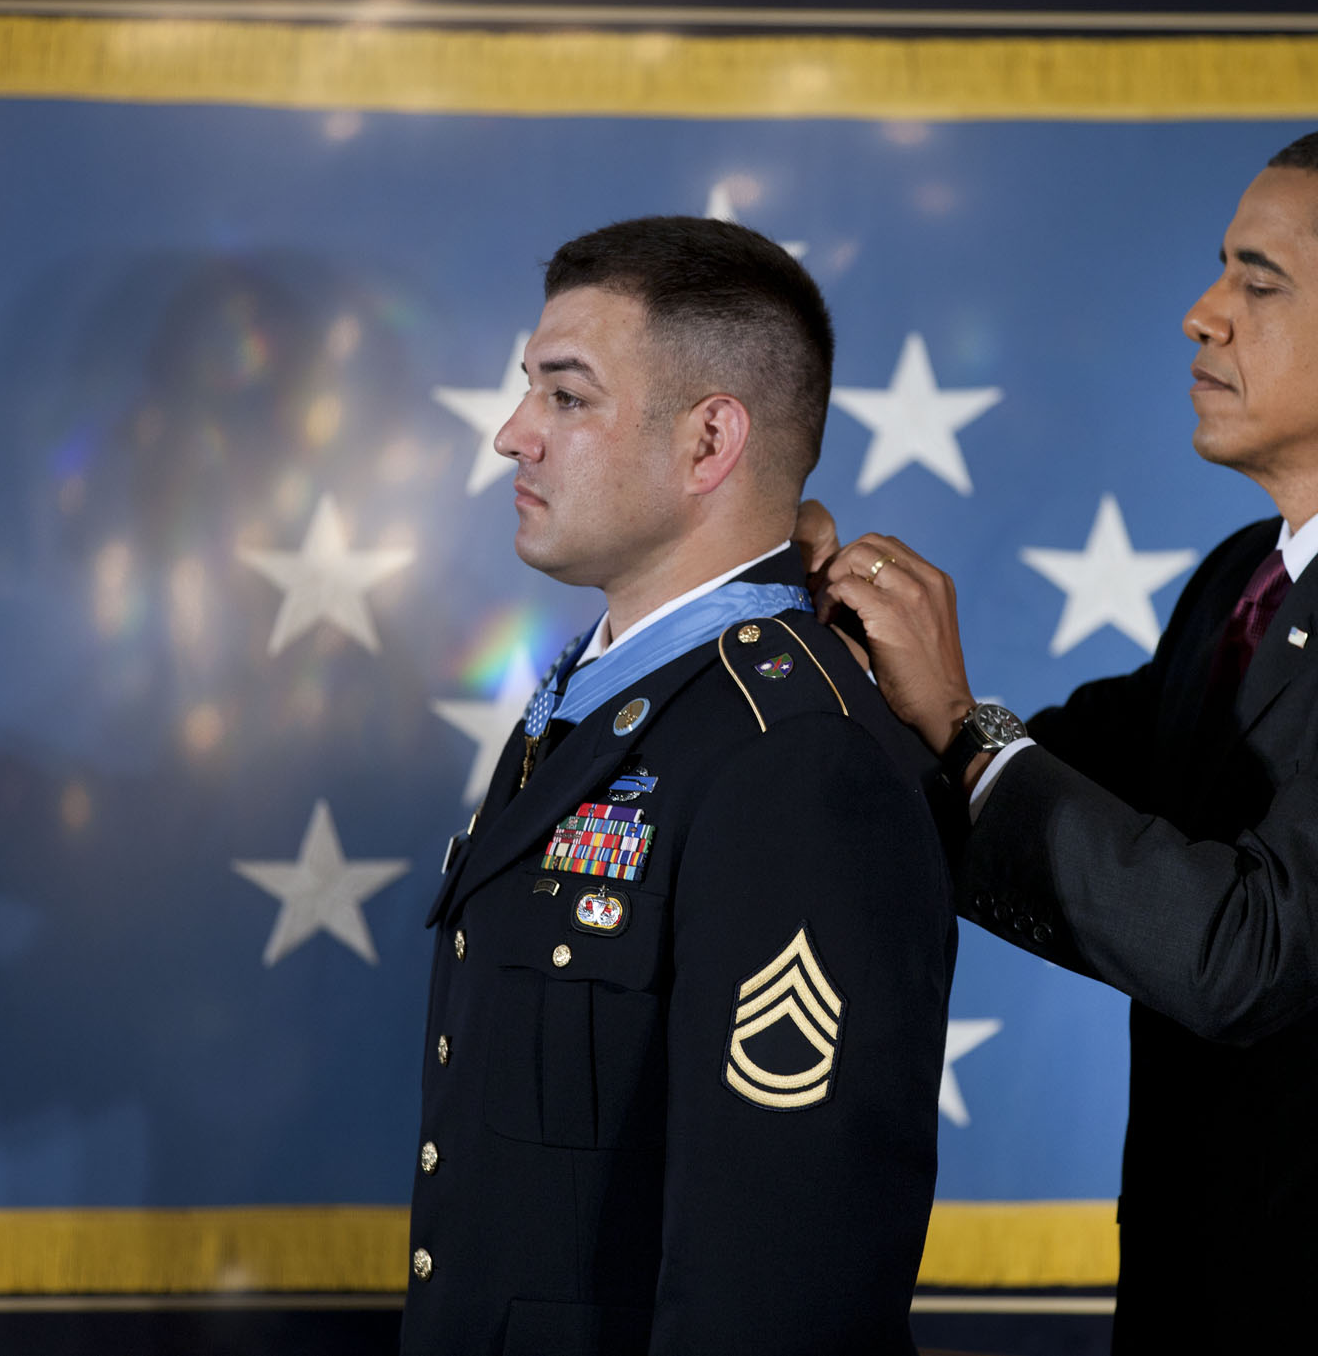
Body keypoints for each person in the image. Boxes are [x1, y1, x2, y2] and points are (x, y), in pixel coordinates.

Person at [804, 126, 1318, 1355]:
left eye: (1258, 280)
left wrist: (964, 727)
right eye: (1220, 272)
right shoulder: (1250, 576)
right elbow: (1045, 782)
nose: (1203, 313)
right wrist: (821, 646)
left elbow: (1243, 950)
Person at [402, 216, 958, 1356]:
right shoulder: (608, 696)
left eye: (566, 397)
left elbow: (783, 1278)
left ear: (710, 441)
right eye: (529, 393)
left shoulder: (793, 757)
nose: (513, 436)